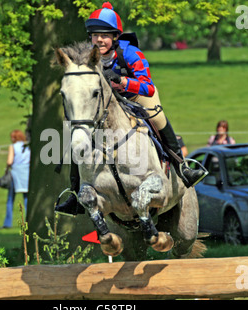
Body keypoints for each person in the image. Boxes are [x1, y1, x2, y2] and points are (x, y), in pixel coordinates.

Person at [55, 2, 207, 215]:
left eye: (105, 35)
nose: (99, 40)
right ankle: (75, 191)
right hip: (105, 105)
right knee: (81, 133)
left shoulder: (131, 53)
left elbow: (148, 86)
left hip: (136, 97)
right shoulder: (86, 57)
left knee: (158, 117)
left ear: (115, 37)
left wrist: (124, 82)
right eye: (95, 35)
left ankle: (182, 167)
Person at [3, 130, 30, 228]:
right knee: (26, 198)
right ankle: (28, 221)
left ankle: (7, 223)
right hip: (26, 172)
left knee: (10, 199)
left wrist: (6, 170)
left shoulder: (13, 147)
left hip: (16, 173)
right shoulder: (27, 146)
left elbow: (10, 161)